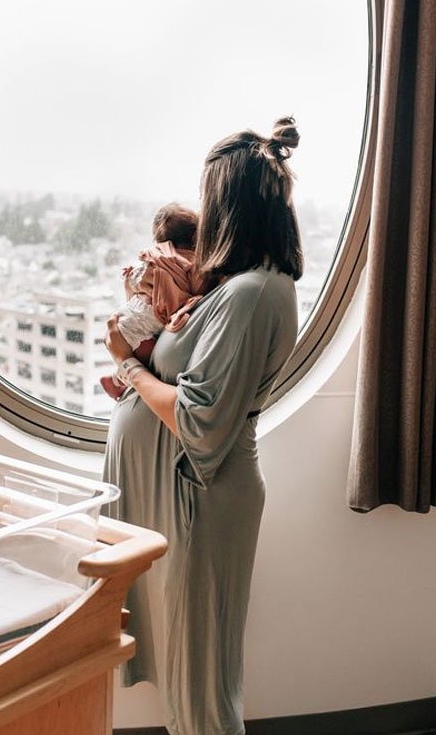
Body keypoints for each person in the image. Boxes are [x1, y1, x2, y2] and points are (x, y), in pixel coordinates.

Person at [103, 116, 303, 735]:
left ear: (231, 205)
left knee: (203, 687)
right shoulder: (233, 290)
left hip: (199, 492)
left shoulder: (253, 294)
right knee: (184, 671)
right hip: (178, 487)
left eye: (211, 198)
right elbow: (194, 377)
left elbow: (197, 421)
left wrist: (129, 371)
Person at [100, 203, 204, 400]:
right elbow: (199, 288)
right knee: (155, 371)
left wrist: (132, 280)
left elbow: (136, 279)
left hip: (130, 316)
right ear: (196, 236)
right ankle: (116, 381)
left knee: (139, 362)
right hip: (136, 326)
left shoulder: (156, 256)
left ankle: (114, 380)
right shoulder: (192, 262)